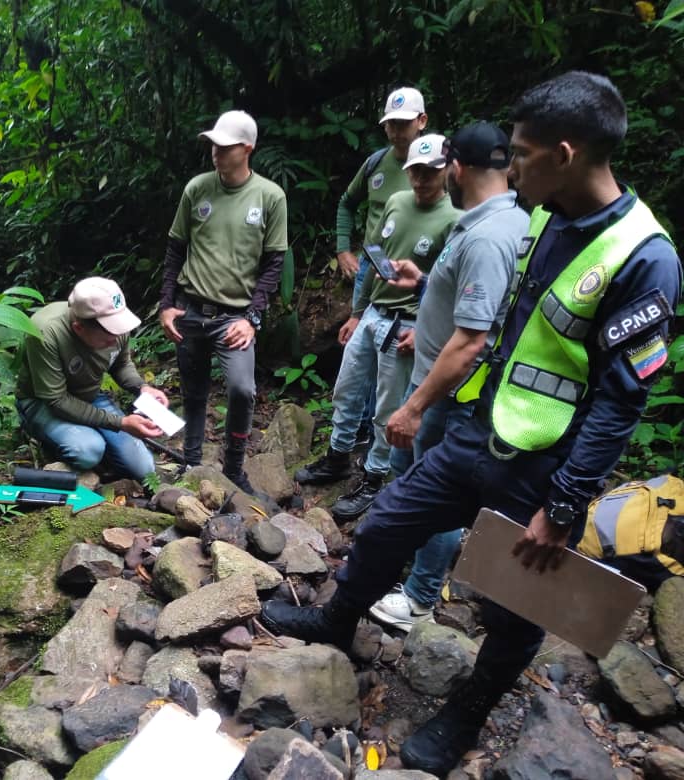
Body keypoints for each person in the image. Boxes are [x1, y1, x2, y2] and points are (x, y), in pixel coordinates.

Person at [262, 71, 681, 777]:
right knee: (388, 522)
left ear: (565, 153)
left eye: (520, 153)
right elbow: (513, 319)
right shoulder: (545, 216)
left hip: (547, 466)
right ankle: (336, 620)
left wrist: (567, 500)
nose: (509, 167)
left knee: (516, 606)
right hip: (477, 433)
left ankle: (468, 711)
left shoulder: (646, 258)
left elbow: (621, 401)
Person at [369, 122, 528, 630]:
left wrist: (415, 406)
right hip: (434, 379)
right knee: (415, 480)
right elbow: (467, 305)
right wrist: (424, 284)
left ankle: (418, 598)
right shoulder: (497, 223)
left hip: (449, 391)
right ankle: (404, 567)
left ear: (456, 168)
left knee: (438, 491)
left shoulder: (487, 236)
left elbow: (472, 340)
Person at [296, 134, 461, 522]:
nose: (421, 179)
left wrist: (425, 328)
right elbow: (374, 258)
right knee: (347, 389)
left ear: (447, 171)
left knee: (389, 407)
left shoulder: (454, 219)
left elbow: (451, 285)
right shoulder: (397, 202)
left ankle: (373, 477)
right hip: (373, 312)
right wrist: (356, 312)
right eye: (415, 171)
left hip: (407, 323)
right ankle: (337, 456)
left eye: (429, 172)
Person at [159, 110, 288, 493]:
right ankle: (193, 463)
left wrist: (252, 317)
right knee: (193, 391)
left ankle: (233, 468)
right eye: (213, 143)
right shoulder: (197, 188)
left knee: (241, 389)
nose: (216, 151)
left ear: (247, 149)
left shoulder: (269, 196)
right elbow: (175, 249)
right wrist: (167, 304)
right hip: (191, 308)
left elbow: (274, 263)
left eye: (225, 145)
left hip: (235, 316)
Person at [334, 87, 429, 447]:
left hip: (418, 277)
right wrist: (343, 248)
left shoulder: (438, 166)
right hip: (372, 268)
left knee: (394, 374)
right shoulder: (376, 163)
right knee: (359, 359)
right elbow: (347, 203)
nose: (395, 131)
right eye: (390, 124)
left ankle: (381, 456)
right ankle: (354, 438)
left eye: (403, 123)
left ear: (422, 121)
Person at [15, 276, 166, 480]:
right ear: (79, 328)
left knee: (144, 469)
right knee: (88, 451)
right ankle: (39, 433)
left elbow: (120, 364)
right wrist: (121, 423)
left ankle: (97, 443)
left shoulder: (116, 324)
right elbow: (56, 400)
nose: (117, 339)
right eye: (109, 336)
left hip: (89, 394)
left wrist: (142, 388)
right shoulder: (46, 332)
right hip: (42, 401)